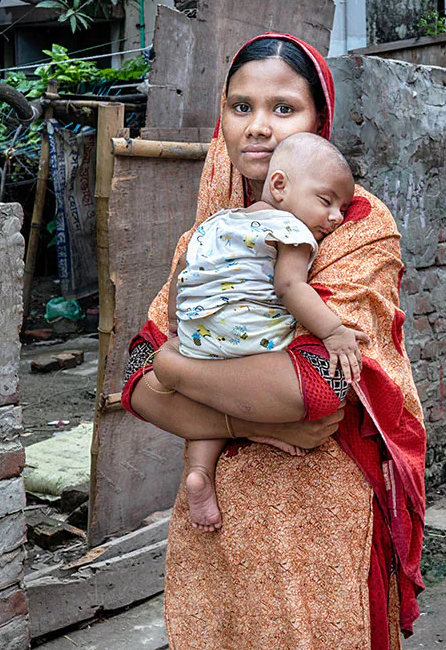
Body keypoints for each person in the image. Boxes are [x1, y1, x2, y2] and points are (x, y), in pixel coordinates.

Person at [121, 32, 427, 650]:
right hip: (217, 524)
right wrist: (231, 410)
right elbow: (135, 382)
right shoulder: (205, 238)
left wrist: (179, 370)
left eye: (284, 108)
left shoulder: (351, 226)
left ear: (320, 121)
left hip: (318, 523)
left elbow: (317, 394)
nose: (257, 128)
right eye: (240, 107)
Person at [157, 132, 368, 532]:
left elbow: (183, 274)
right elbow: (289, 288)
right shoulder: (292, 231)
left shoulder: (215, 223)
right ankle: (270, 429)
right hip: (254, 338)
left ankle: (199, 472)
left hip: (196, 337)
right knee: (301, 374)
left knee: (212, 395)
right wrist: (334, 331)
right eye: (326, 201)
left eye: (342, 207)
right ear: (279, 186)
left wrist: (175, 331)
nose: (337, 217)